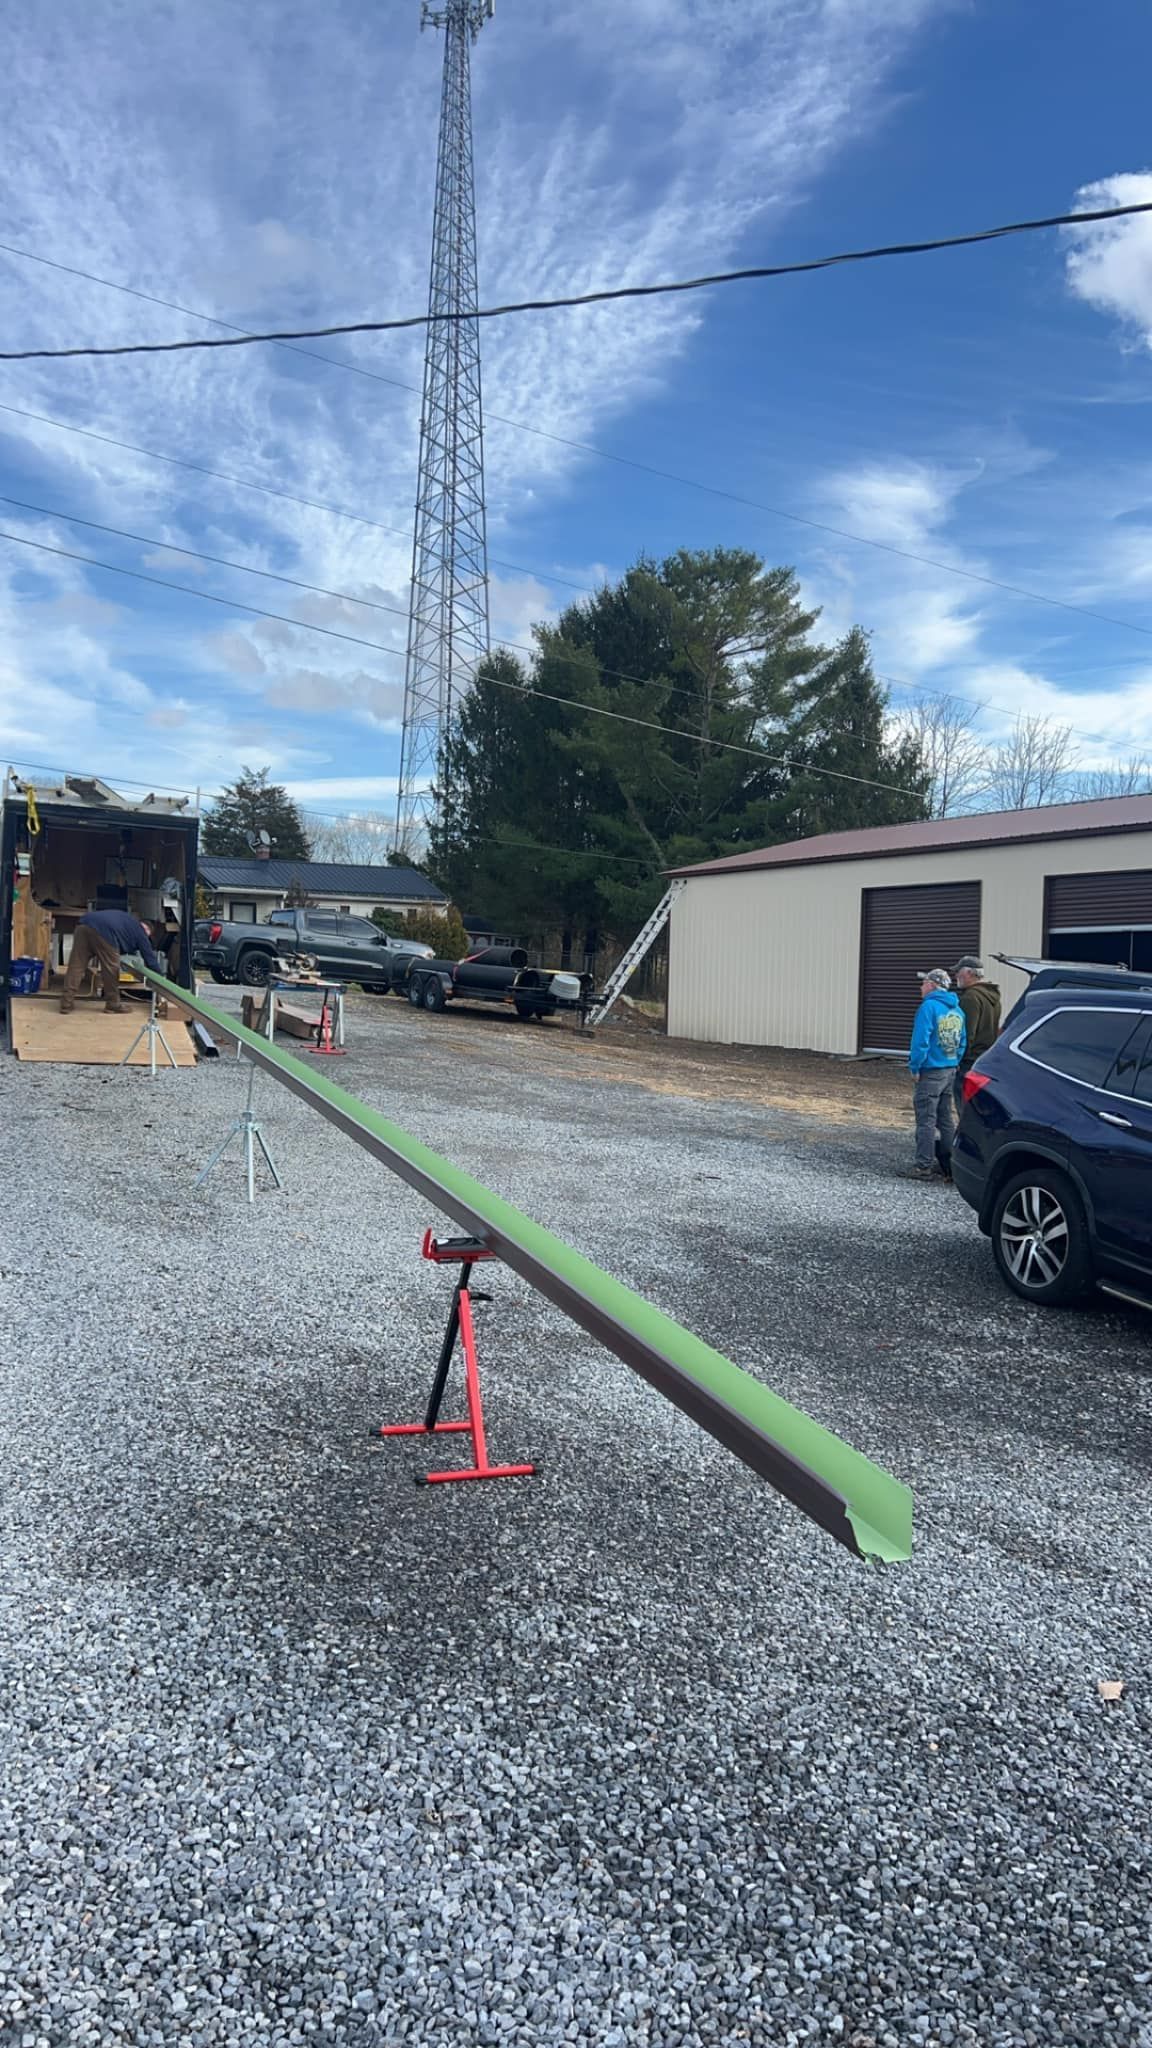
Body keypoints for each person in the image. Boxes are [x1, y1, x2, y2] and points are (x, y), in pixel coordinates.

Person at [905, 968, 966, 1181]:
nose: (921, 987)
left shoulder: (928, 1007)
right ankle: (951, 1166)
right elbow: (962, 1041)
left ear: (932, 985)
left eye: (924, 983)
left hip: (930, 1070)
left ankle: (923, 1166)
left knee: (926, 1119)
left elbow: (921, 1040)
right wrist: (955, 1061)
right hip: (949, 1069)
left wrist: (915, 1066)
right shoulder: (957, 1010)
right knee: (945, 1118)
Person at [60, 909, 162, 1015]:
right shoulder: (141, 932)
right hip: (105, 932)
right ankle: (113, 1005)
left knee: (76, 966)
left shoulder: (127, 921)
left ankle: (66, 1003)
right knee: (111, 970)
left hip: (83, 925)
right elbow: (150, 960)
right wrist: (160, 977)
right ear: (147, 930)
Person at [952, 956, 1002, 1109]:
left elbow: (966, 1033)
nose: (956, 976)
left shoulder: (971, 997)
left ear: (969, 973)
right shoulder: (993, 997)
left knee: (964, 1105)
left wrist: (958, 1060)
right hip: (985, 1059)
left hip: (969, 1061)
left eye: (958, 972)